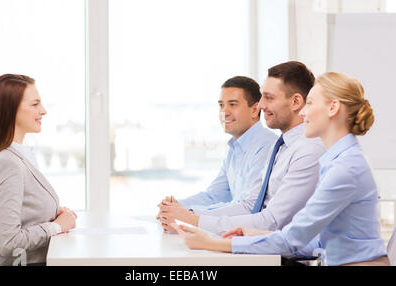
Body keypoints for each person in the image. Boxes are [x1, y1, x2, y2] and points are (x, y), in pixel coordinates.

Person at [175, 72, 390, 266]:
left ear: (332, 108)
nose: (304, 112)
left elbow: (293, 240)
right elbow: (319, 239)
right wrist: (254, 235)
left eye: (310, 103)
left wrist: (213, 243)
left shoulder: (346, 168)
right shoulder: (337, 160)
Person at [159, 61, 325, 235]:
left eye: (269, 98)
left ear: (296, 101)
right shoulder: (280, 148)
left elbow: (272, 221)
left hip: (284, 256)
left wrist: (193, 219)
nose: (260, 105)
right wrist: (188, 214)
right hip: (264, 246)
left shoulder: (308, 150)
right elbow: (249, 206)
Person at [0, 74, 77, 266]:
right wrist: (55, 226)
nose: (43, 111)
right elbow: (9, 242)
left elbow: (23, 213)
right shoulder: (7, 163)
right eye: (35, 104)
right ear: (10, 110)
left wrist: (52, 215)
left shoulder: (18, 155)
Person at [156, 76, 277, 214]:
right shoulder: (235, 148)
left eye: (233, 104)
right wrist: (175, 206)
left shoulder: (266, 146)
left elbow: (249, 207)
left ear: (255, 110)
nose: (224, 112)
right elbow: (214, 195)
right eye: (221, 105)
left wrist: (188, 213)